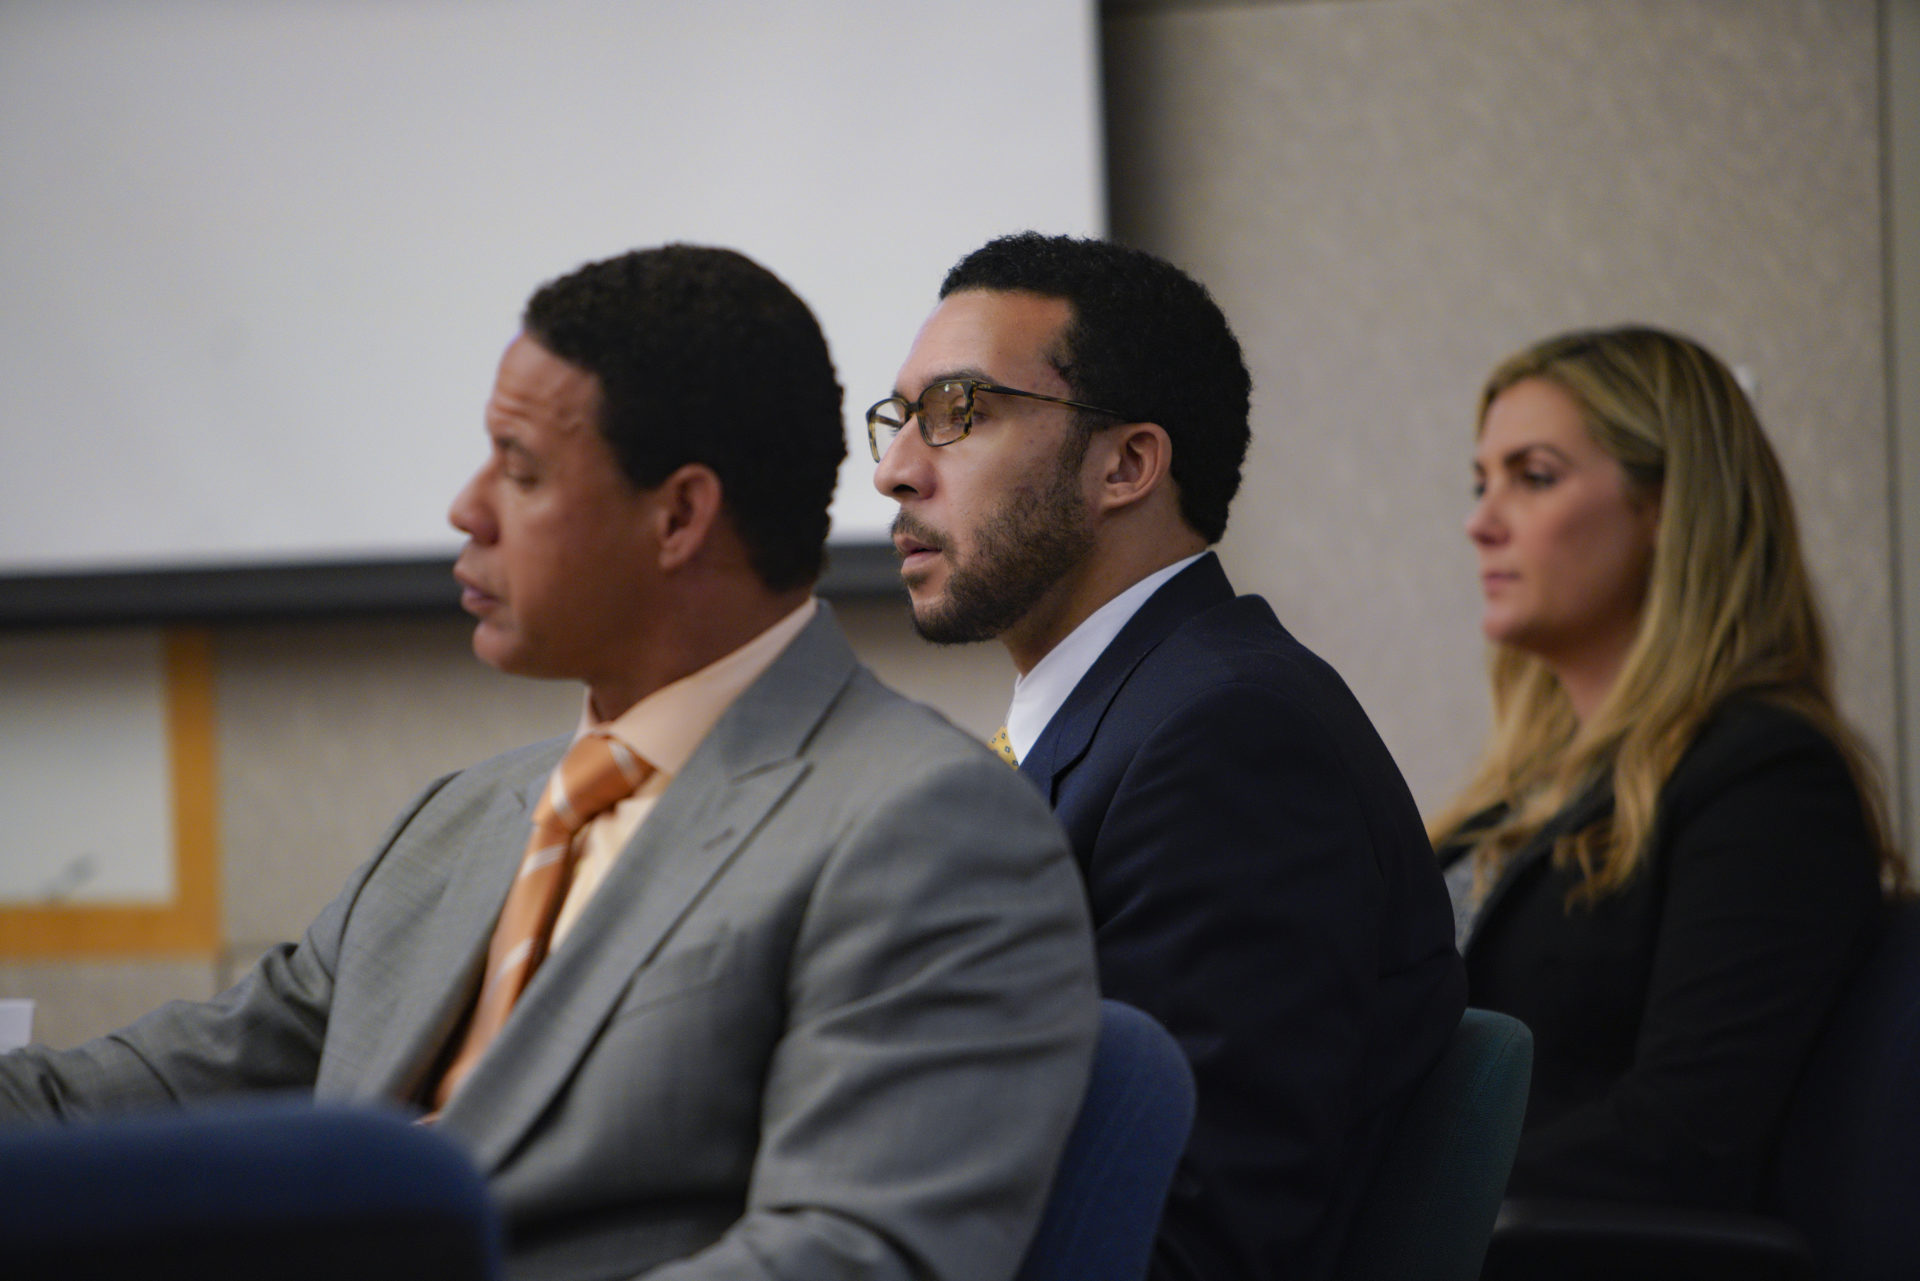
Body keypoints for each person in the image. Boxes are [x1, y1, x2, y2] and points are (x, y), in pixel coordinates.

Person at [0, 245, 1101, 1281]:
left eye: (519, 471)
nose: (466, 508)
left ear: (678, 516)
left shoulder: (929, 829)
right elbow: (133, 1098)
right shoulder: (462, 819)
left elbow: (853, 1260)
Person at [869, 231, 1466, 1281]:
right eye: (898, 417)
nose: (894, 471)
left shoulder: (1228, 739)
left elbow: (1184, 1237)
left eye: (958, 413)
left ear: (1128, 465)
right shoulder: (1132, 721)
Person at [1430, 324, 1905, 1210]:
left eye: (1533, 477)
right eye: (1479, 481)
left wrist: (1396, 1207)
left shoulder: (1766, 782)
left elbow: (1683, 1134)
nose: (1480, 521)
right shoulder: (1513, 793)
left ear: (1666, 510)